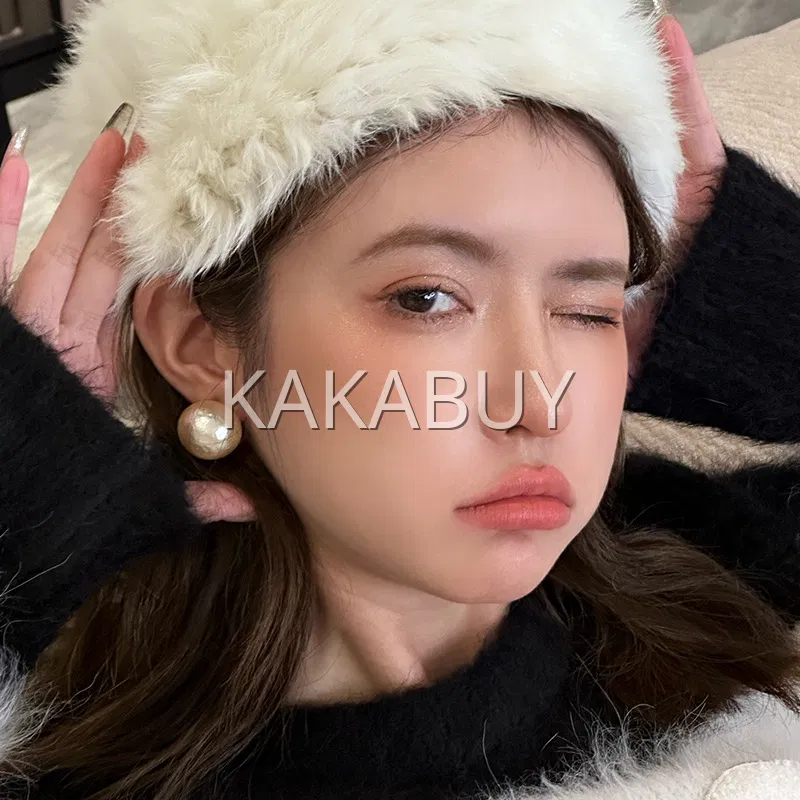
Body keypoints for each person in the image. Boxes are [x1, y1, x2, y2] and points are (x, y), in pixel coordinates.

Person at [0, 1, 799, 798]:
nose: (540, 405)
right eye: (427, 299)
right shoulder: (72, 738)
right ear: (202, 344)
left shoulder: (688, 565)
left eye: (590, 310)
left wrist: (755, 293)